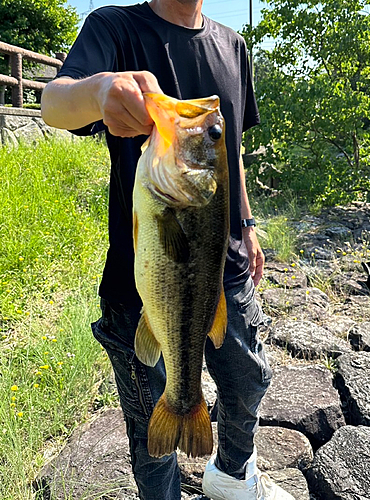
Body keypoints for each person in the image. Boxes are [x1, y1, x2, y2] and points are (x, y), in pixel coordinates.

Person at [41, 2, 295, 499]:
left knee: (248, 383)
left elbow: (230, 151)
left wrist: (247, 223)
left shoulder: (233, 46)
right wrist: (97, 91)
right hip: (140, 288)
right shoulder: (114, 27)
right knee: (150, 438)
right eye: (204, 129)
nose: (204, 124)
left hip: (227, 268)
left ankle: (232, 475)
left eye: (209, 129)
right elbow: (53, 103)